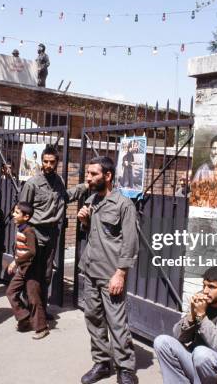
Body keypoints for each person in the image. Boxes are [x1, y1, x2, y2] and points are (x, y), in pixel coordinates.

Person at [76, 156, 139, 384]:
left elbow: (130, 243)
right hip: (91, 270)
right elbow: (94, 234)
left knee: (117, 322)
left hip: (110, 274)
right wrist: (84, 221)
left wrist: (120, 273)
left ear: (108, 176)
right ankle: (102, 362)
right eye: (89, 173)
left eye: (93, 174)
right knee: (93, 318)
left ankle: (126, 368)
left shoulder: (124, 205)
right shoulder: (93, 199)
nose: (89, 178)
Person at [19, 145, 88, 313]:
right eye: (45, 161)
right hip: (35, 232)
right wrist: (24, 234)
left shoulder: (58, 182)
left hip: (52, 234)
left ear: (57, 162)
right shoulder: (32, 184)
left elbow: (64, 197)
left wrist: (84, 186)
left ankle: (40, 309)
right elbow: (22, 212)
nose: (48, 165)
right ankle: (29, 308)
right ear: (41, 162)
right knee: (32, 273)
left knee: (46, 274)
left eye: (52, 162)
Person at [154, 266, 217, 384]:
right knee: (162, 342)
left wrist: (201, 316)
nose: (205, 291)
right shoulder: (203, 300)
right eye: (204, 285)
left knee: (202, 353)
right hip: (198, 364)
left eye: (212, 287)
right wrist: (192, 317)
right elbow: (179, 337)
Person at [5, 201, 49, 339]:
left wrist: (16, 262)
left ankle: (42, 328)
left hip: (32, 271)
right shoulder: (20, 228)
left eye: (17, 213)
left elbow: (32, 252)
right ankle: (24, 317)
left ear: (26, 217)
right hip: (23, 269)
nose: (13, 214)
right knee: (11, 292)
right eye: (14, 211)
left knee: (34, 298)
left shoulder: (29, 231)